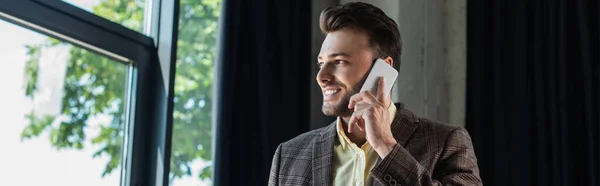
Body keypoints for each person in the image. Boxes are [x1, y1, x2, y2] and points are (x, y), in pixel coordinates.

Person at [268, 2, 482, 186]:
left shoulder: (446, 142)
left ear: (383, 70)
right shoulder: (289, 155)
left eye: (339, 62)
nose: (321, 76)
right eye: (321, 64)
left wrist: (387, 147)